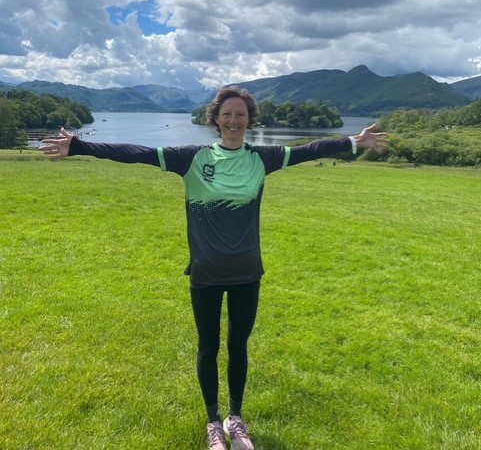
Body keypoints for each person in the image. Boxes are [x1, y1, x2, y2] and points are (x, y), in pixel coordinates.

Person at [40, 86, 389, 450]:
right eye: (227, 114)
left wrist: (353, 141)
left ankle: (235, 419)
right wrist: (79, 146)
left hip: (247, 273)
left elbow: (311, 150)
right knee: (208, 347)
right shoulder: (191, 158)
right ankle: (213, 423)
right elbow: (137, 153)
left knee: (238, 346)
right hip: (205, 272)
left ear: (250, 120)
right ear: (216, 119)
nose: (233, 120)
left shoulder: (263, 158)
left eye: (240, 115)